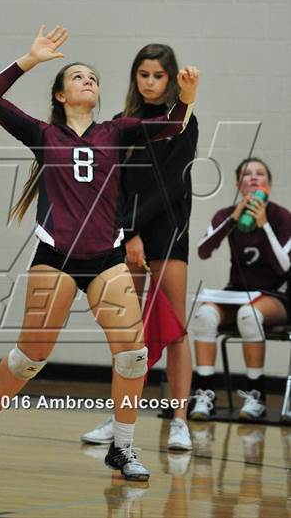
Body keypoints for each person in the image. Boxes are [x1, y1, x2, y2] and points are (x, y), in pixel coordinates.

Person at [0, 25, 199, 481]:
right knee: (30, 358)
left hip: (107, 259)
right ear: (60, 93)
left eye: (93, 77)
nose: (88, 80)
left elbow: (172, 124)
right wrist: (29, 60)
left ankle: (124, 448)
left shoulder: (116, 130)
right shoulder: (42, 134)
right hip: (56, 258)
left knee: (131, 354)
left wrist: (185, 98)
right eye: (77, 76)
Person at [81, 44, 198, 451]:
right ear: (135, 77)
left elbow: (171, 184)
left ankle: (180, 419)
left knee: (176, 328)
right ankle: (120, 418)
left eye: (158, 76)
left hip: (167, 230)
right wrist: (127, 234)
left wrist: (139, 232)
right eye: (143, 74)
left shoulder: (183, 121)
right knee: (127, 333)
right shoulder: (120, 123)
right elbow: (111, 184)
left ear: (171, 79)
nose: (149, 82)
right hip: (128, 234)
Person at [190, 157, 291, 421]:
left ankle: (255, 396)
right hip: (236, 292)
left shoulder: (282, 217)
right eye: (247, 174)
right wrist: (234, 219)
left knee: (249, 315)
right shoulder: (226, 215)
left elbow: (284, 267)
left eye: (260, 174)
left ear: (269, 183)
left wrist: (264, 224)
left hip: (275, 297)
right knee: (204, 316)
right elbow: (203, 250)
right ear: (239, 184)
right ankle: (205, 395)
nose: (254, 178)